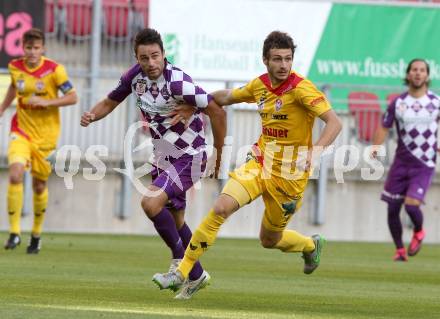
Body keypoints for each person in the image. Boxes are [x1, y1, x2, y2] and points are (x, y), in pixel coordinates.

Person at [152, 31, 342, 299]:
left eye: (288, 59)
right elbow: (226, 97)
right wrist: (194, 105)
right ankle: (182, 272)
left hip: (289, 177)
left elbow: (334, 122)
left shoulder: (302, 89)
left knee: (269, 240)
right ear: (266, 60)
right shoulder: (260, 85)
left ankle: (310, 245)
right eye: (277, 59)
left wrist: (315, 152)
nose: (283, 65)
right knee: (221, 207)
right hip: (260, 163)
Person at [80, 28, 226, 291]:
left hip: (192, 154)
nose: (151, 63)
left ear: (163, 54)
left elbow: (216, 109)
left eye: (155, 56)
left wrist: (219, 154)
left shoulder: (178, 82)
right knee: (176, 218)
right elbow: (110, 101)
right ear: (137, 58)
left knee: (150, 203)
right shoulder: (135, 78)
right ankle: (197, 275)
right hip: (164, 154)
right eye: (144, 58)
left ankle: (179, 262)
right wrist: (92, 115)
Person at [0, 28, 77, 253]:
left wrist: (47, 103)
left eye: (36, 48)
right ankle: (14, 233)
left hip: (46, 137)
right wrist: (3, 108)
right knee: (15, 173)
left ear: (43, 49)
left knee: (39, 184)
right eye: (28, 48)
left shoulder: (55, 71)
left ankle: (35, 234)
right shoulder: (15, 67)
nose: (32, 52)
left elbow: (73, 97)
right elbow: (15, 87)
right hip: (21, 130)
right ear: (22, 48)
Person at [372, 59, 439, 261]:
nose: (418, 73)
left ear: (427, 76)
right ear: (408, 75)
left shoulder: (435, 102)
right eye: (414, 70)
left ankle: (419, 231)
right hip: (401, 163)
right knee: (392, 208)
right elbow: (385, 126)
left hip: (424, 164)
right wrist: (375, 147)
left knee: (411, 206)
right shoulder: (398, 103)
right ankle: (400, 250)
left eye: (422, 70)